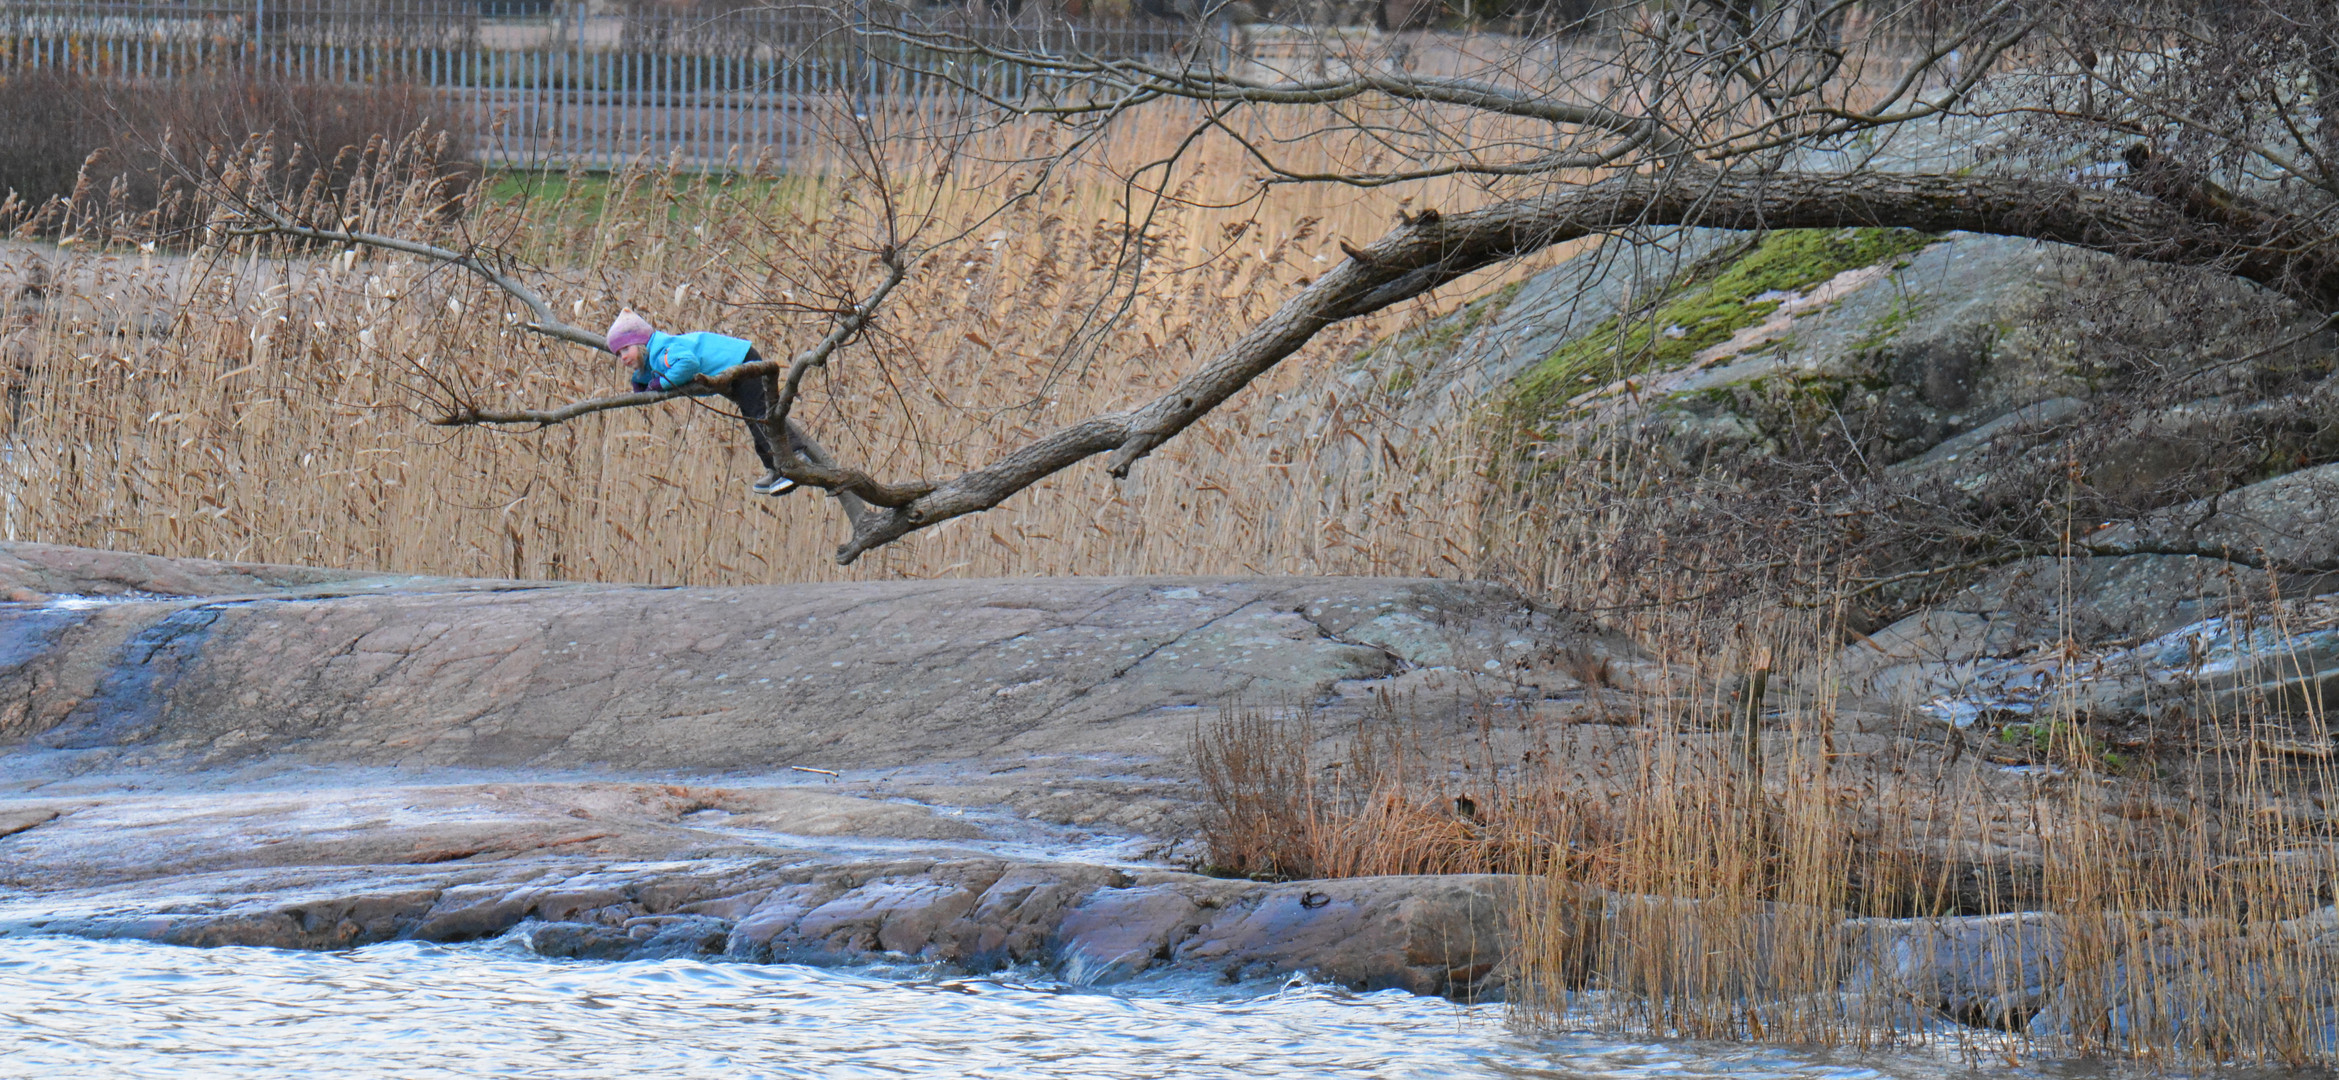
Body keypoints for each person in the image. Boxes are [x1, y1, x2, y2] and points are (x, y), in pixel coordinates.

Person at [607, 310, 798, 496]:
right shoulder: (657, 355)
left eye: (625, 349)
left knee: (760, 416)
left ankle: (794, 458)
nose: (623, 357)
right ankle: (775, 468)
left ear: (641, 344)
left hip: (741, 362)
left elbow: (687, 364)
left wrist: (660, 383)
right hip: (734, 367)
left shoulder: (665, 349)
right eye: (618, 354)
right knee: (753, 418)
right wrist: (640, 380)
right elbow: (654, 369)